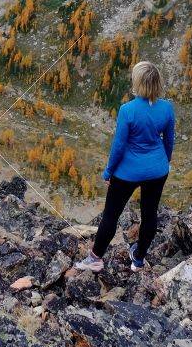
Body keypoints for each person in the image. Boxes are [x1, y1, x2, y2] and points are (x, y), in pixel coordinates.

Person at [74, 60, 175, 273]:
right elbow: (169, 141)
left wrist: (109, 171)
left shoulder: (127, 110)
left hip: (127, 171)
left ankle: (95, 259)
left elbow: (119, 146)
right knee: (150, 214)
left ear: (138, 83)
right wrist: (162, 163)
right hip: (157, 170)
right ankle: (138, 260)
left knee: (111, 214)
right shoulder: (167, 108)